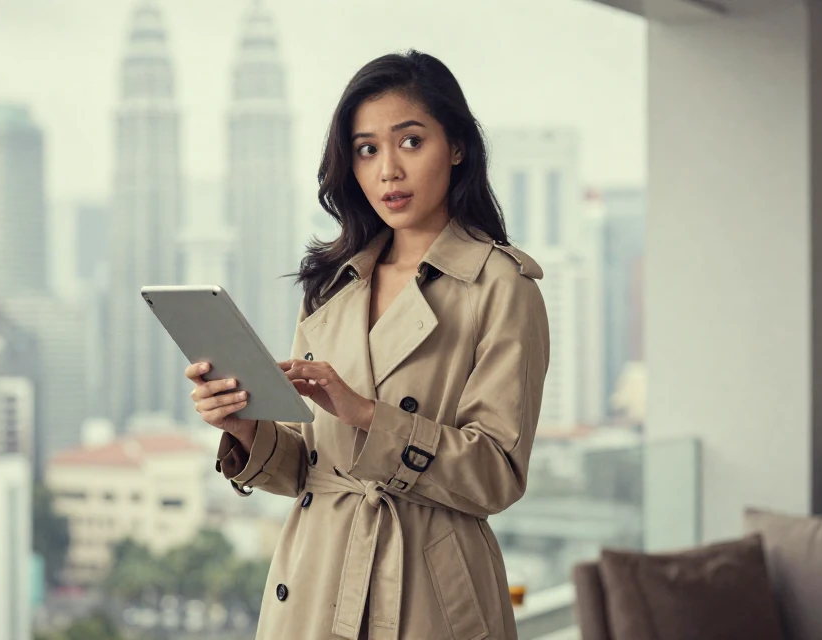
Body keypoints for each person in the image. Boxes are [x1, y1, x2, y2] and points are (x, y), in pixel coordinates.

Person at [185, 49, 550, 640]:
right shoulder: (331, 282)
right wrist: (245, 428)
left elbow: (497, 475)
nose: (388, 171)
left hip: (429, 589)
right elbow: (307, 466)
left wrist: (366, 416)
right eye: (366, 149)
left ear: (456, 146)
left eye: (410, 142)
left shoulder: (501, 287)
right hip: (315, 577)